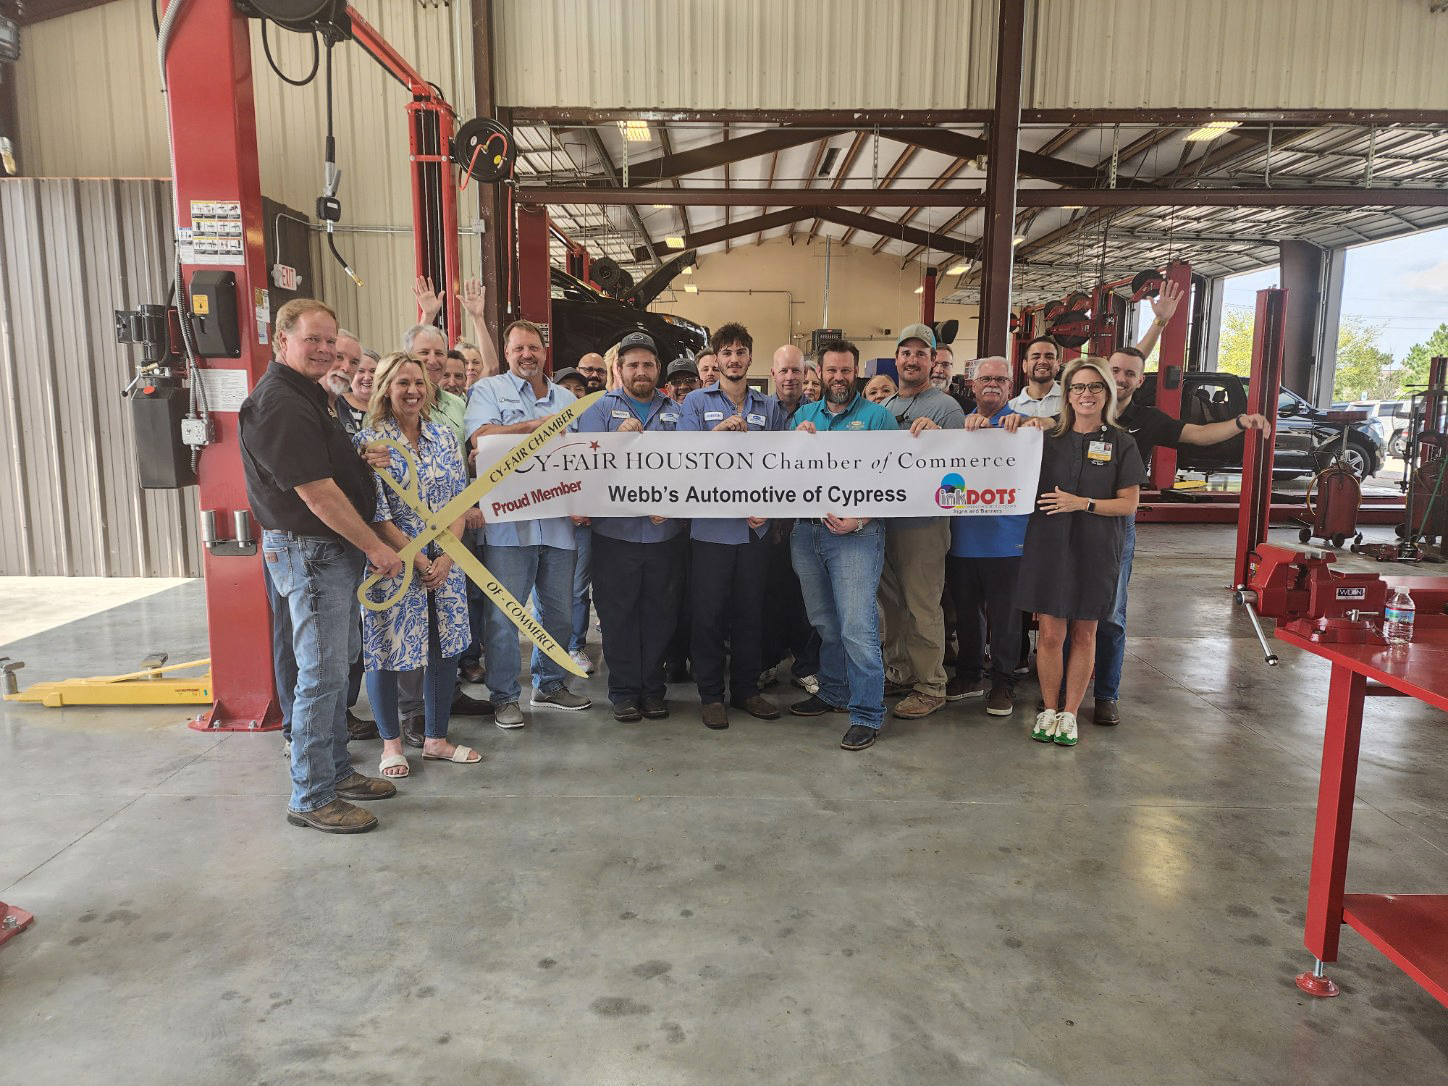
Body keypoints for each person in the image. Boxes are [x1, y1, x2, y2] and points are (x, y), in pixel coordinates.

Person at [239, 298, 403, 834]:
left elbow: (323, 466)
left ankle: (334, 773)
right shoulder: (279, 403)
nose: (327, 350)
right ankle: (310, 795)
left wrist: (359, 457)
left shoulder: (311, 396)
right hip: (312, 551)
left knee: (336, 668)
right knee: (321, 674)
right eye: (314, 340)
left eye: (331, 341)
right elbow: (316, 495)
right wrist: (377, 547)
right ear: (282, 339)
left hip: (330, 552)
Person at [1089, 345, 1270, 725]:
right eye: (1116, 370)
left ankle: (1106, 694)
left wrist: (1240, 422)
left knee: (1111, 613)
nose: (1121, 379)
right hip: (1074, 518)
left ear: (1140, 381)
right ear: (1104, 371)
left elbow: (1200, 435)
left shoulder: (1148, 419)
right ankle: (1063, 689)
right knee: (1070, 610)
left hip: (1117, 525)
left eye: (1130, 374)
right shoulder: (1081, 410)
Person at [356, 352, 480, 778]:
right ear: (386, 388)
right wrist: (420, 557)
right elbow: (377, 514)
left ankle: (436, 739)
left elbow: (460, 502)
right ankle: (391, 745)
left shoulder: (444, 436)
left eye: (418, 383)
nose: (412, 390)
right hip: (394, 562)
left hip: (446, 561)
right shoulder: (372, 440)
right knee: (385, 651)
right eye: (402, 382)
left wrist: (446, 557)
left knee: (446, 648)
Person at [464, 319, 591, 726]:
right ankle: (504, 697)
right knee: (503, 618)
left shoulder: (565, 400)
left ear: (543, 352)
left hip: (557, 524)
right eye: (518, 348)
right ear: (507, 353)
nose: (527, 355)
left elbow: (583, 457)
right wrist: (535, 428)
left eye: (533, 348)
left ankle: (550, 685)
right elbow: (481, 439)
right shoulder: (488, 391)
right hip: (506, 526)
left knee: (559, 614)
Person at [1017, 357, 1145, 749]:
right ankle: (1050, 709)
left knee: (1085, 634)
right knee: (1051, 634)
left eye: (1095, 387)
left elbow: (1128, 505)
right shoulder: (1044, 437)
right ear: (1067, 394)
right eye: (1078, 387)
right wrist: (1009, 425)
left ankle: (1071, 713)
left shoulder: (1122, 442)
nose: (1086, 394)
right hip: (1049, 544)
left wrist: (1083, 503)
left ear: (1106, 393)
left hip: (1096, 548)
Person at [788, 339, 898, 751]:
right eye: (831, 371)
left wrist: (861, 517)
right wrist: (795, 443)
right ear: (820, 372)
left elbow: (894, 481)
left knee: (857, 625)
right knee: (824, 621)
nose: (838, 378)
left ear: (857, 373)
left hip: (856, 534)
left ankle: (867, 712)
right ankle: (833, 689)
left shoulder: (877, 418)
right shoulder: (803, 415)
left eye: (846, 371)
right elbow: (784, 475)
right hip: (807, 531)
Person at [573, 331, 687, 721]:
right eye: (633, 364)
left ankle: (653, 690)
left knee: (660, 613)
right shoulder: (598, 411)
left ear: (658, 369)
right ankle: (622, 691)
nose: (641, 371)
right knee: (618, 614)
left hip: (664, 535)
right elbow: (583, 470)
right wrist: (610, 442)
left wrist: (673, 506)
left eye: (648, 364)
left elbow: (691, 468)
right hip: (614, 536)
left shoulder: (676, 411)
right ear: (618, 369)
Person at [679, 322, 782, 729]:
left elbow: (781, 464)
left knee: (749, 613)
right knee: (707, 614)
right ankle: (709, 695)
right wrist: (715, 434)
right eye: (727, 353)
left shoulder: (767, 406)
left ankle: (745, 690)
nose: (734, 359)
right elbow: (684, 456)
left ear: (750, 358)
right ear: (716, 359)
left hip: (753, 530)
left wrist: (769, 509)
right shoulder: (695, 403)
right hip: (711, 530)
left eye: (741, 352)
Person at [876, 323, 965, 721]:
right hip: (884, 520)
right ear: (896, 359)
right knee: (891, 605)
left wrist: (941, 438)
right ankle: (900, 672)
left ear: (934, 361)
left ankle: (931, 684)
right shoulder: (885, 408)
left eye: (921, 353)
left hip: (924, 524)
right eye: (905, 353)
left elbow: (961, 468)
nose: (912, 360)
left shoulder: (946, 408)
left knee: (922, 605)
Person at [947, 357, 1034, 716]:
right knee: (966, 614)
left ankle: (1003, 683)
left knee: (1006, 617)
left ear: (1011, 387)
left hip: (1008, 541)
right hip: (963, 539)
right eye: (986, 379)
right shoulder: (958, 425)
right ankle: (968, 675)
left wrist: (1029, 426)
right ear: (973, 385)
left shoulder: (1026, 426)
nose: (993, 384)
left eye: (1001, 379)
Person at [762, 345, 821, 694]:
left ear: (805, 376)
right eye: (783, 371)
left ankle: (806, 666)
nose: (789, 377)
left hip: (806, 523)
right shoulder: (760, 412)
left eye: (796, 371)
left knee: (807, 600)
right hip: (765, 523)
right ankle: (767, 662)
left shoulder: (819, 415)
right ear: (773, 375)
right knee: (765, 597)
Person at [1008, 336, 1065, 419]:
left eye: (1049, 357)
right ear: (1025, 365)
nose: (1042, 361)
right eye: (1035, 357)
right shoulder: (1010, 408)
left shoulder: (1071, 401)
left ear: (1058, 365)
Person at [338, 346, 376, 436]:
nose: (367, 377)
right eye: (360, 371)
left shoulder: (390, 406)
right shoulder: (338, 404)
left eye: (373, 371)